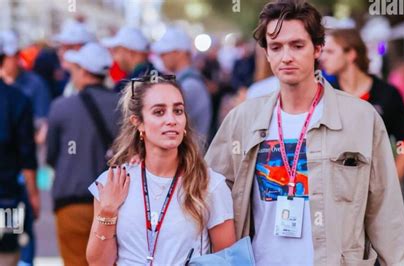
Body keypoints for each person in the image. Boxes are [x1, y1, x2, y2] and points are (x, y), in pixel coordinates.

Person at [205, 0, 404, 265]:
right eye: (276, 47)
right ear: (266, 54)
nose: (286, 56)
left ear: (317, 49)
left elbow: (386, 211)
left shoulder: (361, 118)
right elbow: (209, 193)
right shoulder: (243, 120)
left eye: (297, 45)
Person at [85, 74, 235, 265]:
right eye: (159, 112)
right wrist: (107, 211)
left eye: (178, 111)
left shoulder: (210, 184)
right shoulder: (113, 182)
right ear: (138, 122)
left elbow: (228, 260)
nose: (171, 120)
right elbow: (98, 263)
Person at [46, 43, 120, 266]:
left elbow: (51, 156)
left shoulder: (61, 107)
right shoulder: (124, 106)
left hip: (71, 202)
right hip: (114, 202)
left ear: (83, 71)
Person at [320, 29, 404, 179]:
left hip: (376, 185)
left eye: (330, 52)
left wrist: (391, 182)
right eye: (323, 51)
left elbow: (403, 142)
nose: (323, 57)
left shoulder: (387, 93)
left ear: (351, 54)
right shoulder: (326, 94)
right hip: (336, 188)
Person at [0, 29, 50, 266]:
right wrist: (33, 195)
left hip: (11, 195)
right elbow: (27, 157)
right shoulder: (17, 99)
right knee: (10, 253)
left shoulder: (24, 93)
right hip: (9, 197)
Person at [151, 27, 212, 142]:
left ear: (180, 53)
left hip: (190, 156)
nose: (161, 57)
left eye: (164, 53)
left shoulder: (189, 85)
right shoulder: (187, 81)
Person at [102, 26, 155, 92]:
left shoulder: (129, 86)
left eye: (116, 51)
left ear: (130, 53)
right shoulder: (156, 75)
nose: (114, 58)